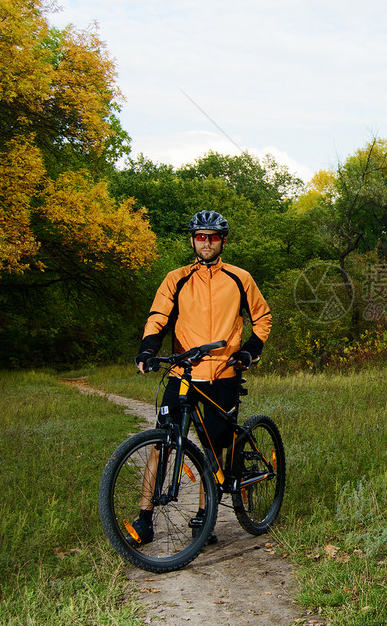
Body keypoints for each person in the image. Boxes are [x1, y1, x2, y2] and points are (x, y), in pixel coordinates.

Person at [127, 210, 272, 546]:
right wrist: (148, 351)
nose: (207, 243)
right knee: (162, 442)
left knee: (212, 447)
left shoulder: (240, 278)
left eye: (214, 237)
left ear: (222, 241)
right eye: (201, 237)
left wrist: (249, 351)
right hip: (183, 372)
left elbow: (262, 318)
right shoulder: (176, 278)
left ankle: (205, 517)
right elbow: (158, 318)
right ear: (192, 240)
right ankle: (145, 517)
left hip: (223, 373)